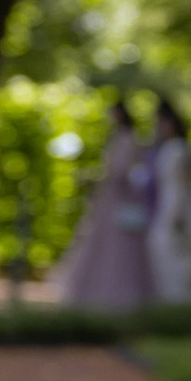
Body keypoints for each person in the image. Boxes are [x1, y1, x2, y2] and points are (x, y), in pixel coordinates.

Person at [54, 92, 157, 307]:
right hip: (109, 199)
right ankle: (99, 292)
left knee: (116, 247)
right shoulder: (119, 137)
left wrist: (97, 177)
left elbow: (120, 171)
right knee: (102, 245)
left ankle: (116, 294)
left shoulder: (128, 138)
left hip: (118, 200)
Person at [147, 94, 191, 303]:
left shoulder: (180, 149)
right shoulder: (167, 149)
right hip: (165, 204)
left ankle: (179, 300)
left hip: (175, 206)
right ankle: (168, 299)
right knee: (161, 251)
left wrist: (179, 213)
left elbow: (184, 184)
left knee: (175, 252)